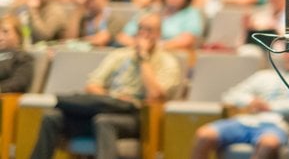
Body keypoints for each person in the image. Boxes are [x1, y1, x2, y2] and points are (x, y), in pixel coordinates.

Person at [30, 12, 183, 159]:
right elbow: (92, 85)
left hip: (139, 117)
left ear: (158, 34)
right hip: (110, 107)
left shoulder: (167, 61)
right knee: (52, 117)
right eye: (140, 29)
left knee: (104, 121)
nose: (143, 33)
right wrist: (113, 98)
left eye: (148, 30)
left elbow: (156, 96)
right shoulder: (120, 55)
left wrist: (143, 58)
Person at [191, 51, 289, 159]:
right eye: (287, 52)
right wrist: (250, 101)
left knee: (268, 144)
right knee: (204, 135)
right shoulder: (264, 76)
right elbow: (230, 95)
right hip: (246, 120)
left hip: (277, 124)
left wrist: (271, 107)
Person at [0, 13, 35, 93]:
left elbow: (19, 83)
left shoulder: (22, 57)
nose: (0, 37)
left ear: (19, 35)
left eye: (5, 32)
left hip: (7, 99)